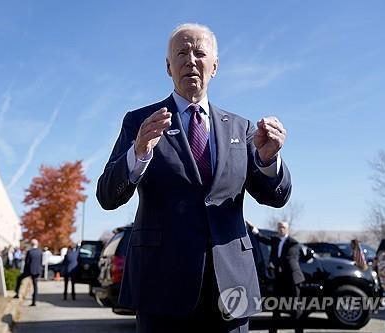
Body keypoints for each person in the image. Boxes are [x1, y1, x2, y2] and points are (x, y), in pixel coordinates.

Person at [97, 23, 292, 333]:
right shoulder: (140, 122)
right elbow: (107, 195)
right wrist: (138, 153)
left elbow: (275, 195)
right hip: (161, 285)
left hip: (230, 289)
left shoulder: (241, 128)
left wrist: (268, 160)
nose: (190, 60)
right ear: (168, 66)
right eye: (181, 53)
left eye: (200, 53)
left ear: (214, 66)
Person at [247, 221, 304, 333]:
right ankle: (273, 330)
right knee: (276, 305)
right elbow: (262, 238)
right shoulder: (275, 240)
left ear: (287, 229)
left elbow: (289, 258)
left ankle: (299, 330)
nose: (281, 229)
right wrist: (253, 228)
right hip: (280, 278)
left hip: (293, 279)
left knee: (295, 307)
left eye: (283, 227)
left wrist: (274, 263)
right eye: (279, 227)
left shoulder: (293, 243)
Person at [14, 239, 43, 306]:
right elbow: (41, 262)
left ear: (31, 244)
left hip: (29, 270)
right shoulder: (40, 252)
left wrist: (25, 271)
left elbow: (27, 262)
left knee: (19, 278)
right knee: (35, 286)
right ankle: (34, 301)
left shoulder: (30, 252)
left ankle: (17, 294)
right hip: (37, 271)